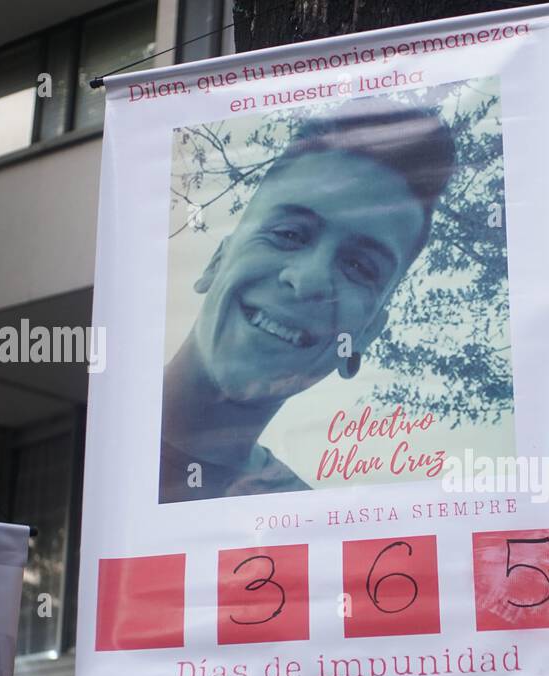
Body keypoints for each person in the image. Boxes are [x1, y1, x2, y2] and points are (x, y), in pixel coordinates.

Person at [159, 99, 457, 503]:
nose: (308, 280)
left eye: (359, 266)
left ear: (366, 334)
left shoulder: (316, 533)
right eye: (289, 234)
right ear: (216, 261)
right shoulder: (96, 446)